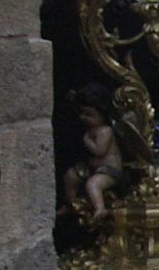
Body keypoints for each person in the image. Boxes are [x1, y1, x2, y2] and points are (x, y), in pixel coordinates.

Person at [60, 82, 122, 221]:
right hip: (92, 167)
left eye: (89, 114)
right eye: (82, 113)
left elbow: (99, 151)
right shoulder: (92, 129)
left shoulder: (105, 131)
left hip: (109, 170)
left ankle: (100, 208)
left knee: (93, 184)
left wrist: (87, 140)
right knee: (70, 176)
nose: (83, 118)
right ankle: (71, 204)